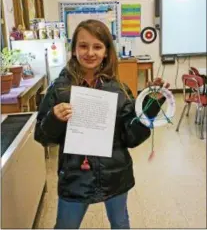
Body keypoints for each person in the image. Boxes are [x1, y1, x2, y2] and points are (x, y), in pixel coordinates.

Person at [34, 19, 169, 229]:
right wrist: (54, 119)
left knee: (120, 223)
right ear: (74, 50)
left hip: (115, 173)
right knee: (65, 226)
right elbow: (42, 137)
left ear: (106, 51)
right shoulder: (59, 90)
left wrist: (149, 106)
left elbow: (130, 137)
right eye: (83, 46)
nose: (90, 52)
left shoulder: (119, 90)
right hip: (75, 175)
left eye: (97, 46)